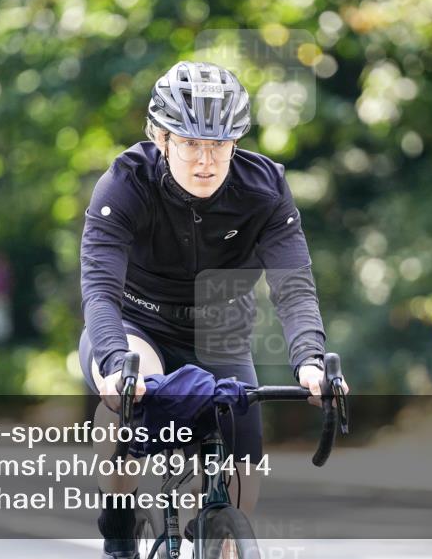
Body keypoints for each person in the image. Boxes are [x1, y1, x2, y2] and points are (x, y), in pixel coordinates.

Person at [78, 60, 348, 559]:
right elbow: (99, 291)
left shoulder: (264, 189)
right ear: (161, 138)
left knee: (241, 490)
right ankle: (119, 529)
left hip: (219, 332)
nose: (206, 161)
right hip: (136, 322)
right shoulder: (124, 185)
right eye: (190, 144)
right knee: (124, 406)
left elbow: (293, 288)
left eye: (220, 145)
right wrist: (116, 367)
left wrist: (310, 361)